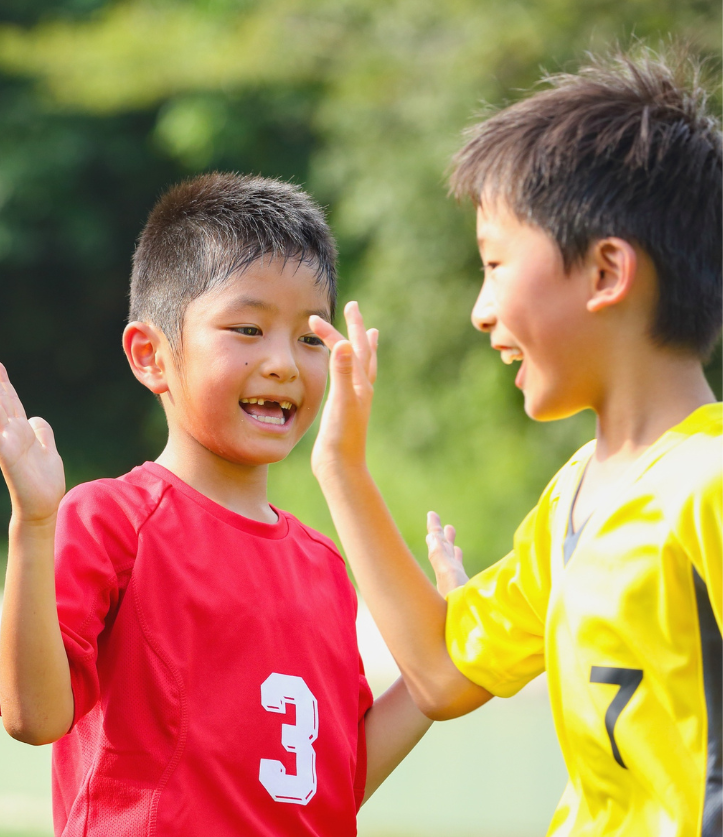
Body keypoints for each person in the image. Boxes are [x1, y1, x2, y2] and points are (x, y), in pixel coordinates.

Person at [308, 49, 721, 837]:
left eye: (495, 264)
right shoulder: (573, 498)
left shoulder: (710, 483)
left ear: (606, 272)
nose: (481, 310)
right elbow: (439, 671)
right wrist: (341, 468)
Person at [0, 173, 442, 836]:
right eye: (247, 328)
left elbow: (326, 782)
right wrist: (34, 523)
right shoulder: (111, 521)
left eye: (310, 337)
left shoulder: (325, 563)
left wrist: (441, 664)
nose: (282, 362)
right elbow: (34, 715)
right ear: (151, 355)